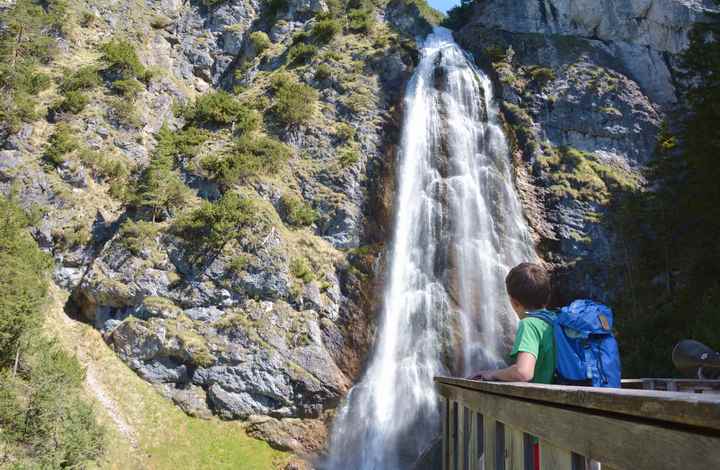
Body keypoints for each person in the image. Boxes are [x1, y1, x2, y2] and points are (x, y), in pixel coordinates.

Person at [471, 262, 555, 384]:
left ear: (514, 302)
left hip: (543, 400)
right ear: (548, 296)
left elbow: (523, 373)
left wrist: (492, 374)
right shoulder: (555, 320)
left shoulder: (529, 325)